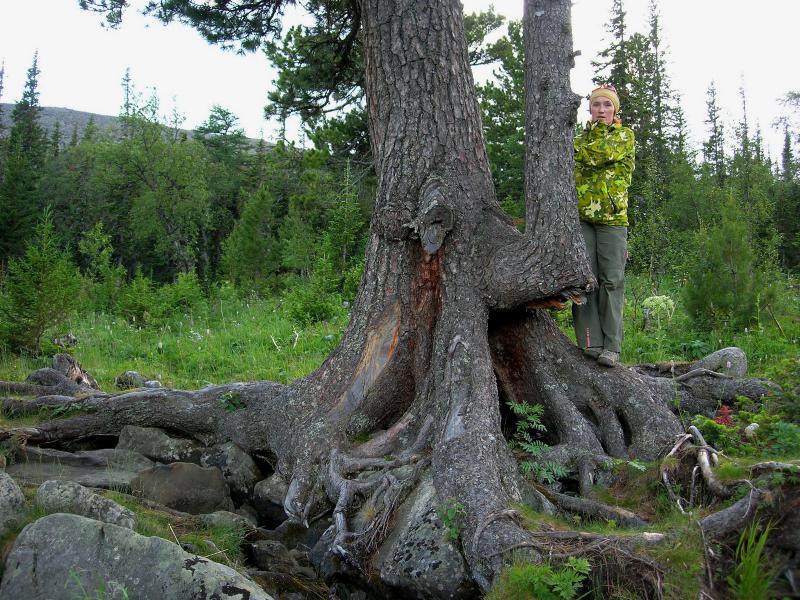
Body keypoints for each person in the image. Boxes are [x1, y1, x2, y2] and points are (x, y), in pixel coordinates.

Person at [572, 84, 635, 367]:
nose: (601, 110)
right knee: (586, 281)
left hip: (612, 221)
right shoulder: (578, 137)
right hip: (583, 218)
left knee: (611, 281)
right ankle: (590, 341)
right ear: (589, 108)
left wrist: (581, 145)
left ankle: (612, 346)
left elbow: (600, 154)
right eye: (596, 104)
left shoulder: (624, 135)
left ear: (615, 110)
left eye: (607, 105)